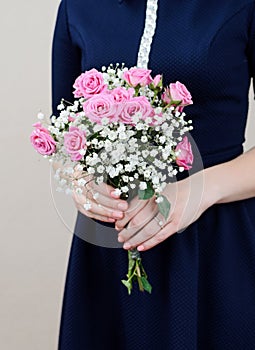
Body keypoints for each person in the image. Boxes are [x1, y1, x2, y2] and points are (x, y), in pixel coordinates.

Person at [52, 0, 255, 349]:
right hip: (108, 246)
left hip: (213, 242)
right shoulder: (78, 6)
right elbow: (65, 138)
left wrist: (200, 191)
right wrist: (83, 183)